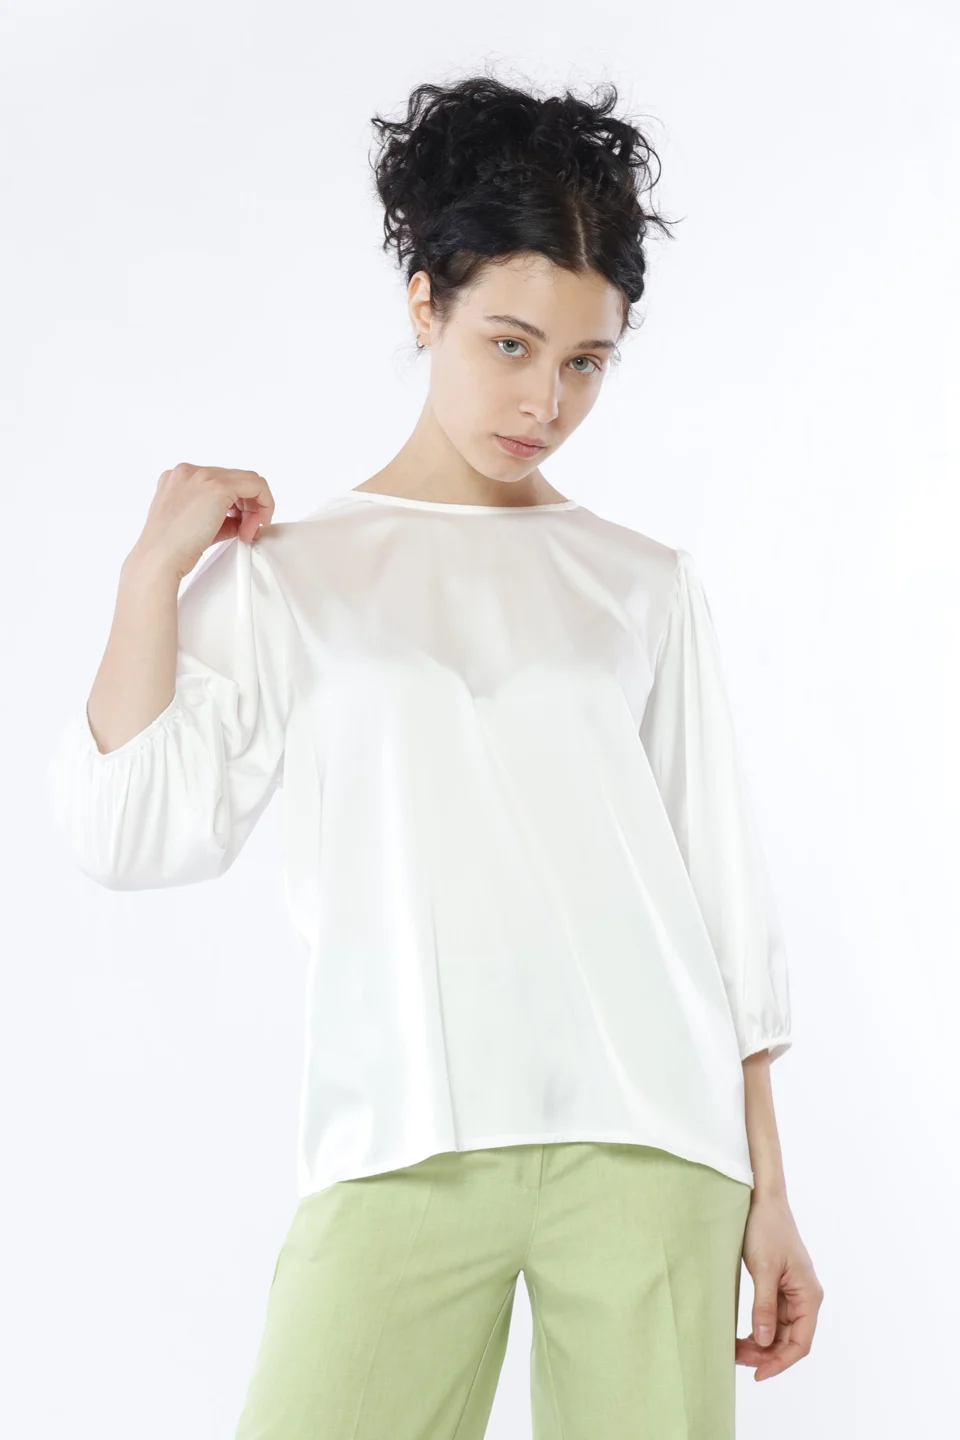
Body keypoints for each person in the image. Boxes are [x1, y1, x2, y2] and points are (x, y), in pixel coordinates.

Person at [46, 72, 823, 1440]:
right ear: (426, 304)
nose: (546, 400)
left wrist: (770, 1187)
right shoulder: (295, 574)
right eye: (510, 345)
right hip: (400, 1134)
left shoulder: (641, 583)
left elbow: (721, 895)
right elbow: (131, 835)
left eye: (586, 362)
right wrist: (148, 574)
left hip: (652, 1140)